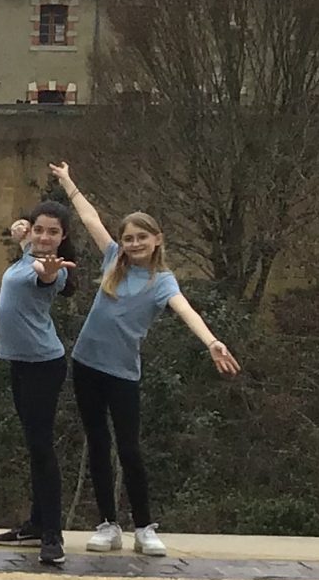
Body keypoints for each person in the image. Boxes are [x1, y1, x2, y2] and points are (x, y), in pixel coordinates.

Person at [53, 161, 240, 556]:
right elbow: (90, 219)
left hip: (122, 373)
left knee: (129, 448)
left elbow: (186, 310)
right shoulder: (111, 260)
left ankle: (143, 527)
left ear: (157, 240)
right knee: (97, 443)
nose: (134, 243)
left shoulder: (162, 281)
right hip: (86, 365)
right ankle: (108, 524)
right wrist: (68, 181)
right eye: (128, 238)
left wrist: (211, 342)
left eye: (141, 237)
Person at [0, 200, 77, 567]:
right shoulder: (29, 254)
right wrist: (21, 231)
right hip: (21, 364)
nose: (44, 237)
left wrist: (49, 269)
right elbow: (25, 239)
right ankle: (37, 523)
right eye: (40, 229)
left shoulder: (56, 270)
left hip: (43, 365)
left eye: (53, 232)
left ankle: (52, 534)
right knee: (33, 444)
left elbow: (45, 275)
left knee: (42, 448)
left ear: (63, 237)